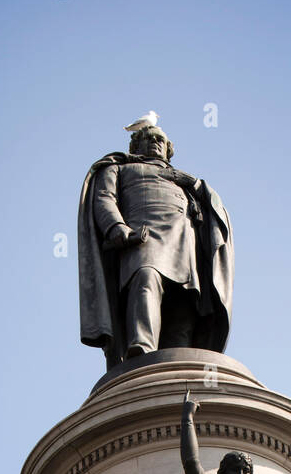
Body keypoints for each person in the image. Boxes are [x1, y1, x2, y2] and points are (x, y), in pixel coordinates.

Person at [78, 124, 233, 366]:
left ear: (168, 149)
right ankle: (142, 346)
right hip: (143, 237)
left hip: (183, 243)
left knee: (184, 301)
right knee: (146, 278)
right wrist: (117, 228)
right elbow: (104, 199)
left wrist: (195, 184)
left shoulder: (184, 181)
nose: (154, 142)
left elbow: (216, 210)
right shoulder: (120, 168)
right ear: (135, 145)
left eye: (160, 139)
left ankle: (176, 362)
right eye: (147, 138)